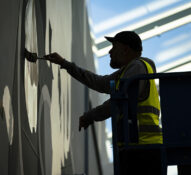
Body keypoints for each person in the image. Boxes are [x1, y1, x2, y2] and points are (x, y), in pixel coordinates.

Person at [45, 31, 163, 175]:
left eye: (114, 46)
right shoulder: (128, 72)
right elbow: (100, 83)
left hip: (143, 149)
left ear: (125, 49)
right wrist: (64, 64)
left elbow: (118, 102)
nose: (110, 51)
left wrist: (90, 116)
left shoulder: (137, 68)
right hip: (140, 148)